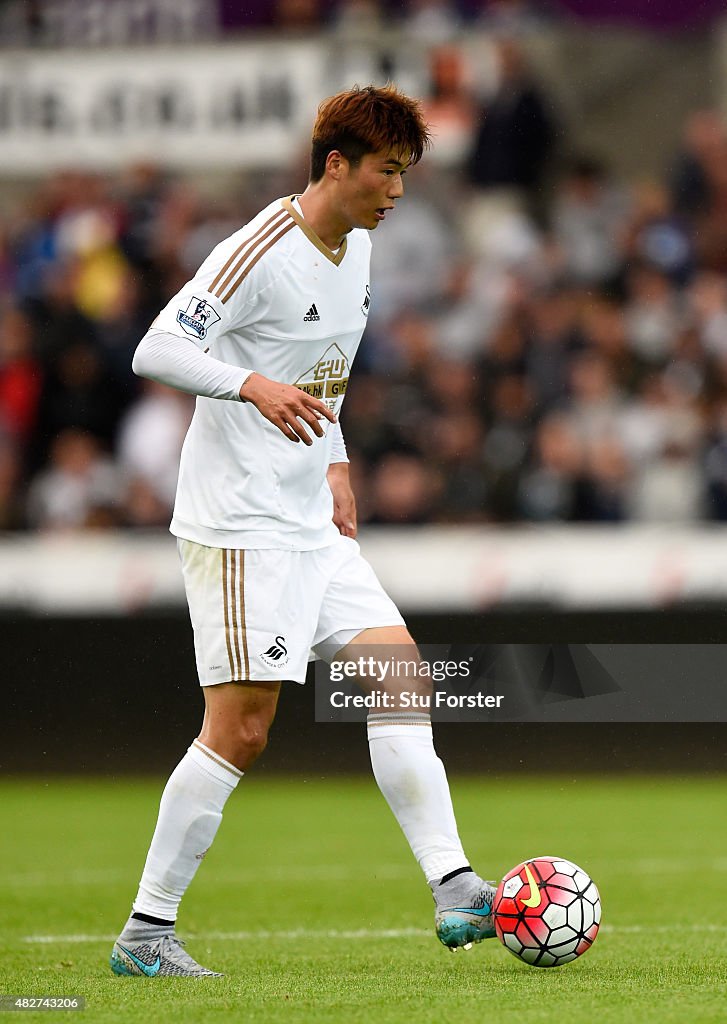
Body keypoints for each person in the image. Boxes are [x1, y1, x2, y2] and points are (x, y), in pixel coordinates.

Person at [110, 85, 496, 978]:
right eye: (387, 172)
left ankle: (454, 884)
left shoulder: (355, 248)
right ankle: (146, 933)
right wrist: (247, 386)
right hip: (241, 522)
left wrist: (334, 456)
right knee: (241, 731)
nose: (397, 193)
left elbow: (319, 373)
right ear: (336, 164)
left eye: (405, 174)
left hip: (306, 515)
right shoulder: (257, 252)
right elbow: (157, 348)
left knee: (398, 675)